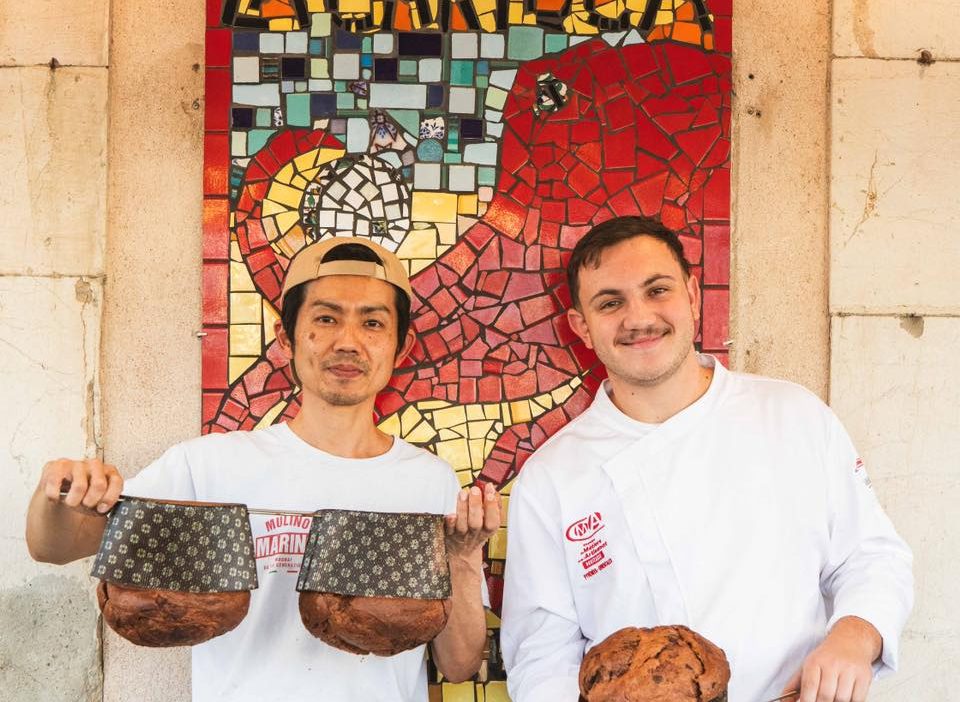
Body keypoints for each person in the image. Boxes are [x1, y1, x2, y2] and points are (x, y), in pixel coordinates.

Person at [26, 236, 500, 701]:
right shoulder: (209, 465)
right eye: (326, 318)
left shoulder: (428, 479)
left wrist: (461, 558)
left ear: (401, 345)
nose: (348, 342)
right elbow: (55, 548)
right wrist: (59, 491)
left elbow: (458, 664)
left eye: (373, 323)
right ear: (286, 336)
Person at [499, 216, 913, 702]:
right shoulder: (551, 477)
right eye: (610, 303)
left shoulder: (793, 415)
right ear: (581, 327)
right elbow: (540, 653)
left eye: (657, 290)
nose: (638, 318)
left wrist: (853, 638)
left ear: (693, 296)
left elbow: (872, 556)